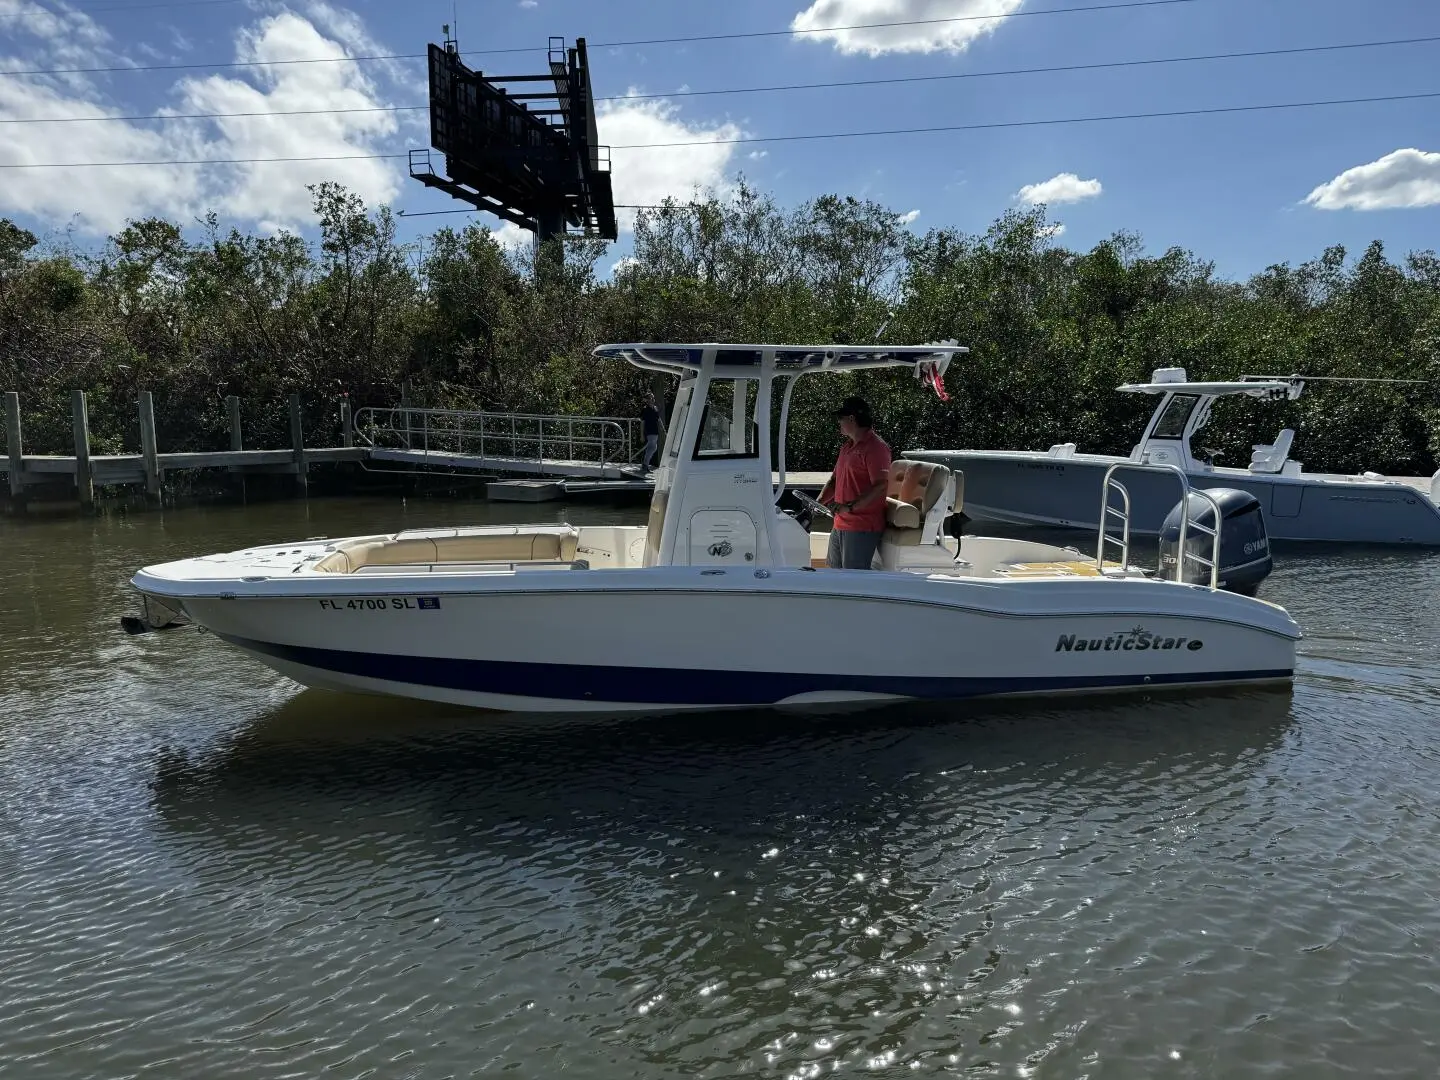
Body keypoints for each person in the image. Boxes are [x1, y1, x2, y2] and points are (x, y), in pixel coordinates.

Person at [817, 396, 891, 569]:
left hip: (861, 526)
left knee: (853, 581)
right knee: (835, 577)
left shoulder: (876, 448)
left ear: (852, 418)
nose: (839, 423)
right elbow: (834, 480)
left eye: (840, 418)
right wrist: (818, 502)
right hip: (840, 523)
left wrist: (849, 507)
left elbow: (880, 486)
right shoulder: (847, 447)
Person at [639, 391, 660, 472]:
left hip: (655, 431)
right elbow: (642, 422)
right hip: (649, 431)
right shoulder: (645, 409)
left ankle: (645, 464)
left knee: (653, 448)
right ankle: (645, 465)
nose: (653, 399)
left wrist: (662, 429)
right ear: (648, 400)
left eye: (653, 397)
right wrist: (642, 435)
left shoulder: (655, 408)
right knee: (652, 447)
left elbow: (658, 420)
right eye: (651, 398)